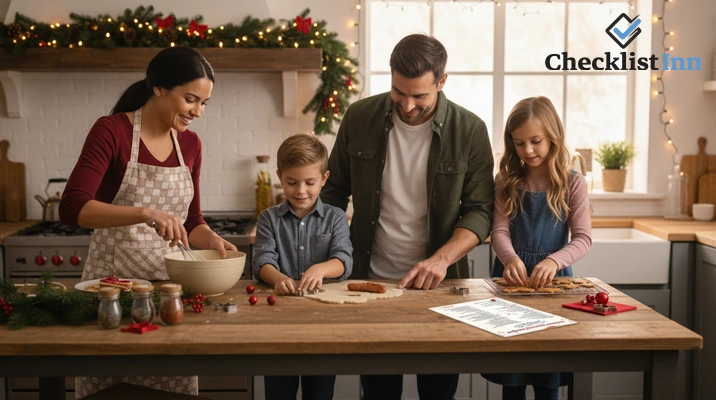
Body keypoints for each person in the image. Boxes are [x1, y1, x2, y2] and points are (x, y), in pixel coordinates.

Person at [320, 33, 494, 400]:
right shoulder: (360, 116)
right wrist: (328, 255)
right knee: (379, 393)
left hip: (440, 289)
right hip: (370, 284)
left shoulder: (471, 130)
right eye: (400, 92)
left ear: (442, 82)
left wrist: (441, 259)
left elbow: (480, 211)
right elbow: (333, 194)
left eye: (420, 95)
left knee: (437, 393)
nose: (408, 105)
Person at [59, 47, 236, 398]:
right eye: (190, 99)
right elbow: (72, 207)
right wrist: (143, 213)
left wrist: (212, 240)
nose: (197, 112)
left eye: (204, 103)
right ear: (158, 87)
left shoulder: (191, 145)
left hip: (168, 297)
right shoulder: (112, 130)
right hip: (112, 294)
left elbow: (192, 220)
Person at [482, 96, 592, 400]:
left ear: (553, 138)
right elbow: (499, 230)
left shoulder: (573, 183)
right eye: (519, 143)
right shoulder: (506, 181)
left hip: (555, 282)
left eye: (535, 141)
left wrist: (554, 261)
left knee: (549, 378)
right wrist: (509, 257)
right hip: (510, 281)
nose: (527, 150)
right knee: (512, 379)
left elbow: (583, 238)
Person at [252, 133, 353, 400]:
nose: (300, 191)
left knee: (319, 393)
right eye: (291, 182)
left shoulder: (336, 217)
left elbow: (344, 261)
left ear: (324, 178)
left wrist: (322, 268)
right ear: (279, 176)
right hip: (277, 326)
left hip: (324, 326)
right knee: (278, 392)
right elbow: (262, 261)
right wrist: (276, 278)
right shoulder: (268, 219)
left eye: (310, 182)